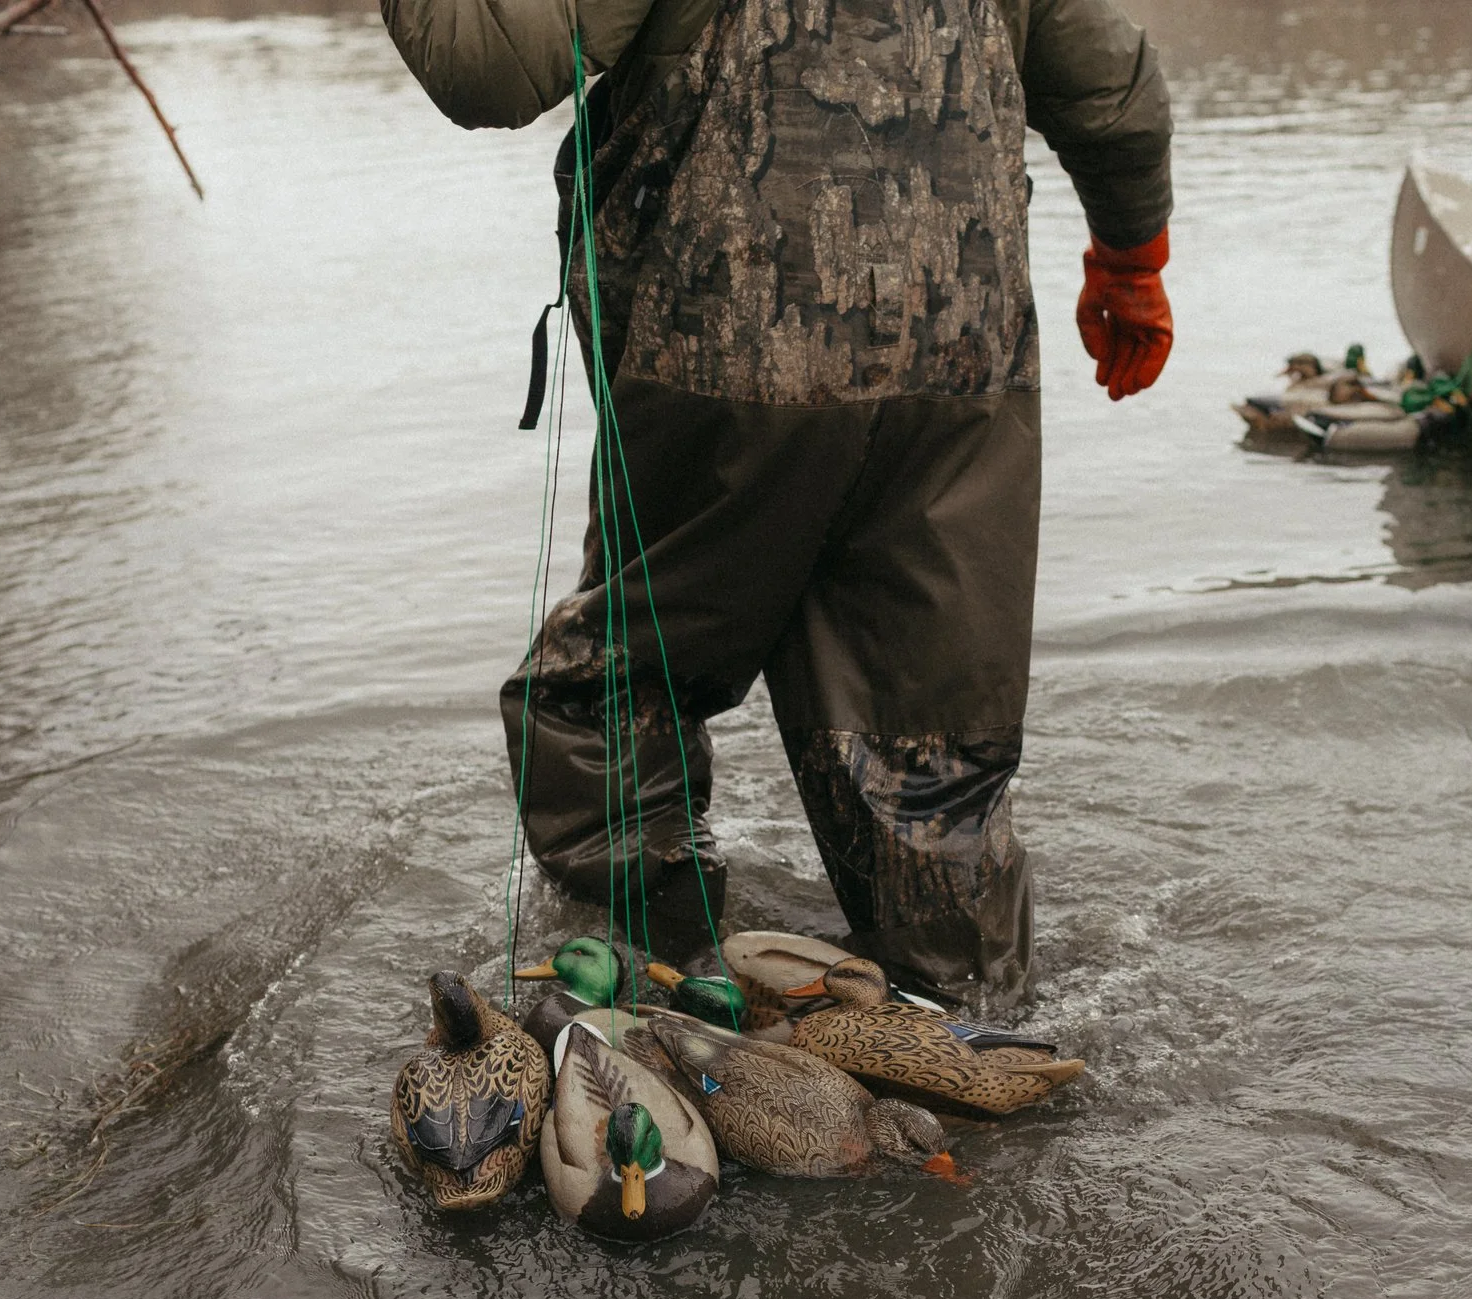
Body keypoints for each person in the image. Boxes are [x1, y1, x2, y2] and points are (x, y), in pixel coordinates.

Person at [382, 0, 1173, 1007]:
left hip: (727, 349)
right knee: (922, 753)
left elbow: (489, 67)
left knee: (614, 690)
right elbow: (1112, 88)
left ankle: (669, 996)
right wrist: (1129, 259)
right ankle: (966, 1035)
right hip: (959, 355)